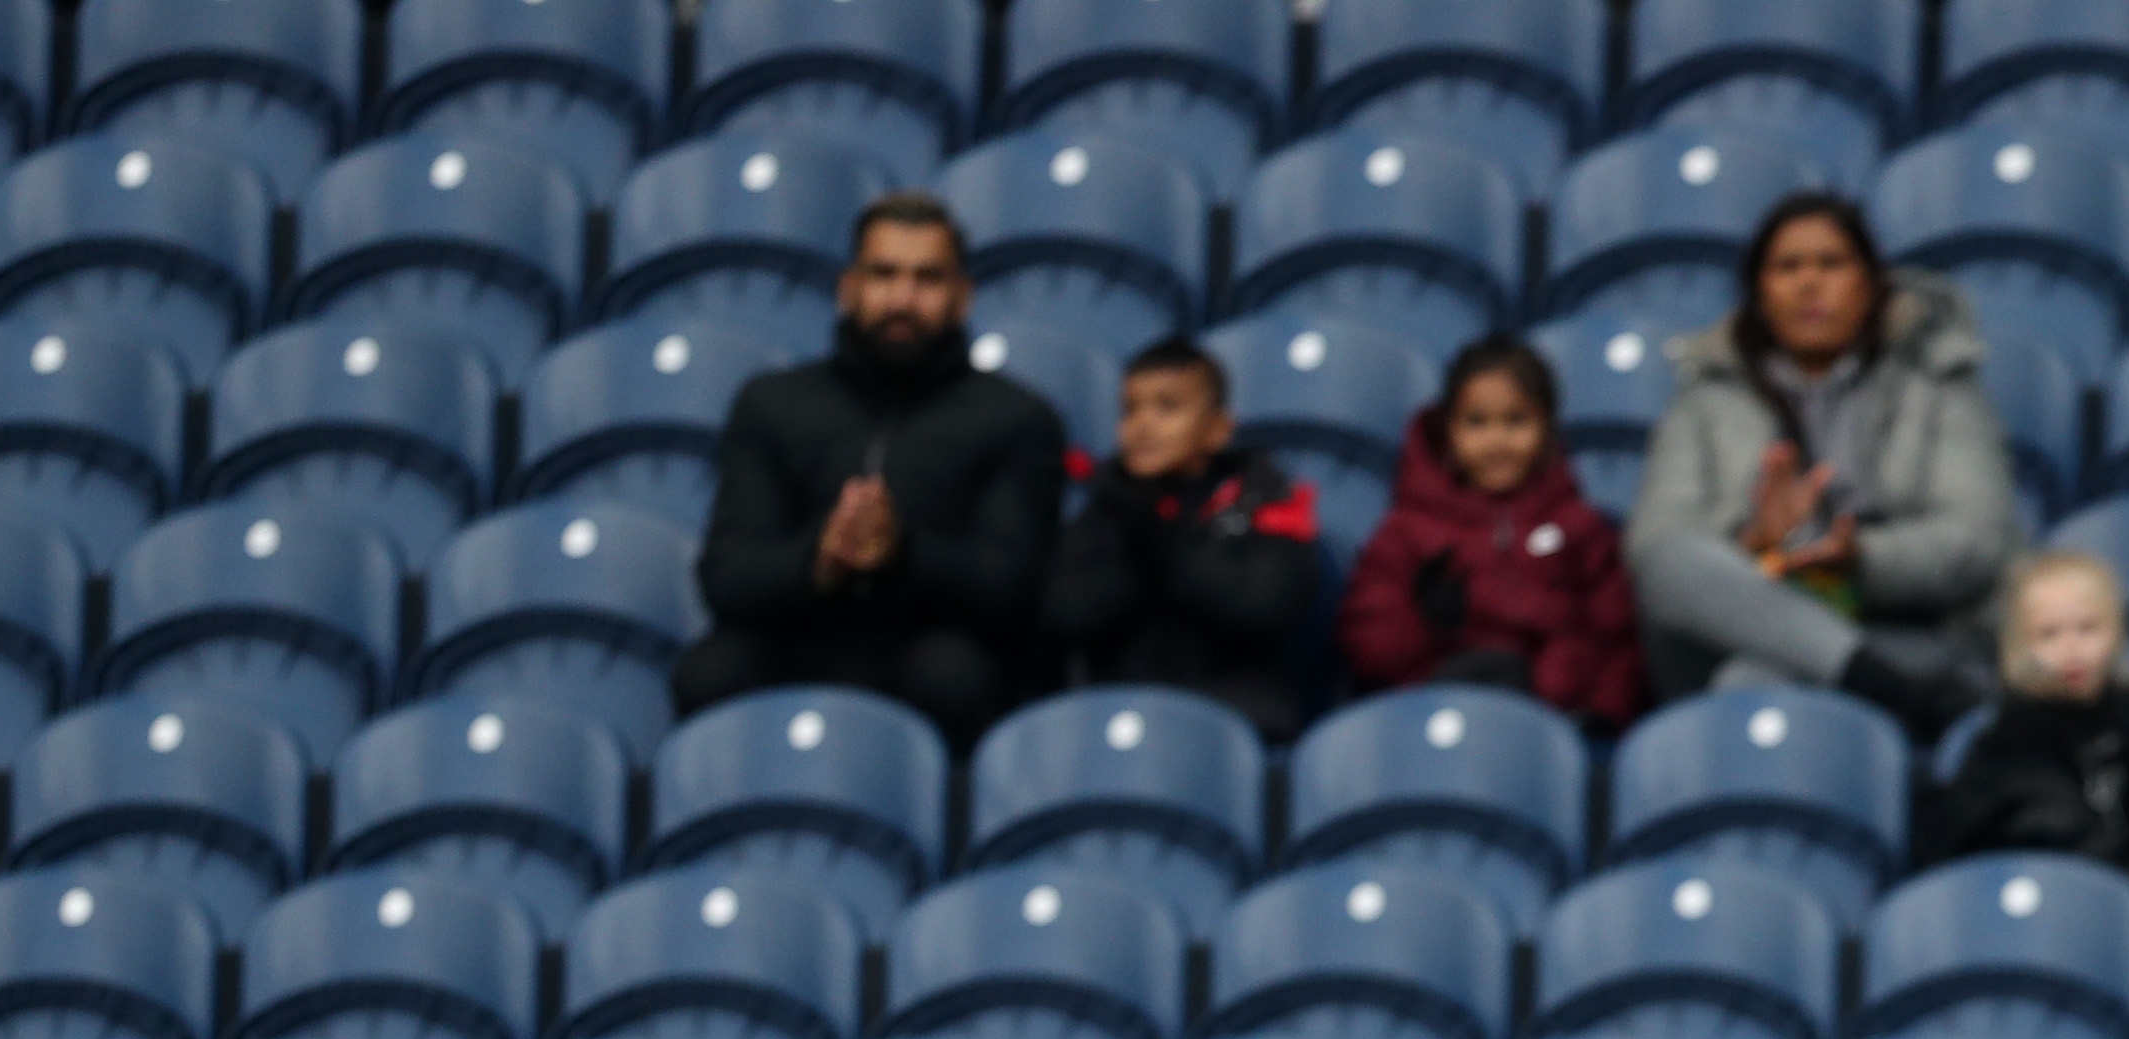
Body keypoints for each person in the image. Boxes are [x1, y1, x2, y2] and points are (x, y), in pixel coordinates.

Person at [676, 196, 1063, 754]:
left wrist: (902, 553)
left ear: (962, 297)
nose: (902, 299)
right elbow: (728, 577)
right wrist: (821, 561)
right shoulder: (772, 403)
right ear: (848, 288)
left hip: (931, 648)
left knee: (957, 676)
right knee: (712, 672)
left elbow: (1013, 589)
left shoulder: (1017, 417)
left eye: (927, 279)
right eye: (884, 275)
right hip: (798, 637)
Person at [1627, 191, 2018, 736]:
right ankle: (1874, 682)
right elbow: (1659, 547)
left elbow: (1978, 541)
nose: (1809, 284)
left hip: (1901, 631)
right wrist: (1753, 545)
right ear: (1760, 292)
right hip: (1751, 621)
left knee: (1751, 683)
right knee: (1670, 558)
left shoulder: (1936, 382)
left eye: (1830, 264)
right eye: (1787, 267)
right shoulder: (1703, 399)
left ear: (1872, 285)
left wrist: (1858, 561)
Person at [1337, 336, 1648, 732]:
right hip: (1435, 722)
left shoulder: (1580, 527)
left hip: (1556, 727)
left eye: (1516, 420)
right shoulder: (1405, 531)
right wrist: (1424, 625)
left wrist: (1603, 716)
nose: (1497, 441)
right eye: (1477, 422)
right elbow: (1369, 648)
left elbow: (1615, 636)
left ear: (1547, 428)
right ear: (1448, 430)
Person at [1918, 546, 2129, 914]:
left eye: (2087, 628)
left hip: (2115, 907)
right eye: (2048, 635)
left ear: (2116, 632)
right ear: (2020, 647)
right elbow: (2053, 823)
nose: (2071, 649)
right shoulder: (2010, 737)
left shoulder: (2123, 718)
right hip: (2026, 905)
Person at [1048, 336, 1327, 744]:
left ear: (1218, 429)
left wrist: (1168, 544)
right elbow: (1066, 613)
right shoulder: (1105, 508)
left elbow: (1263, 607)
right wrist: (1135, 545)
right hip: (1116, 716)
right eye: (1130, 410)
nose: (1143, 425)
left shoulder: (1265, 500)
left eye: (1168, 407)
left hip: (1235, 718)